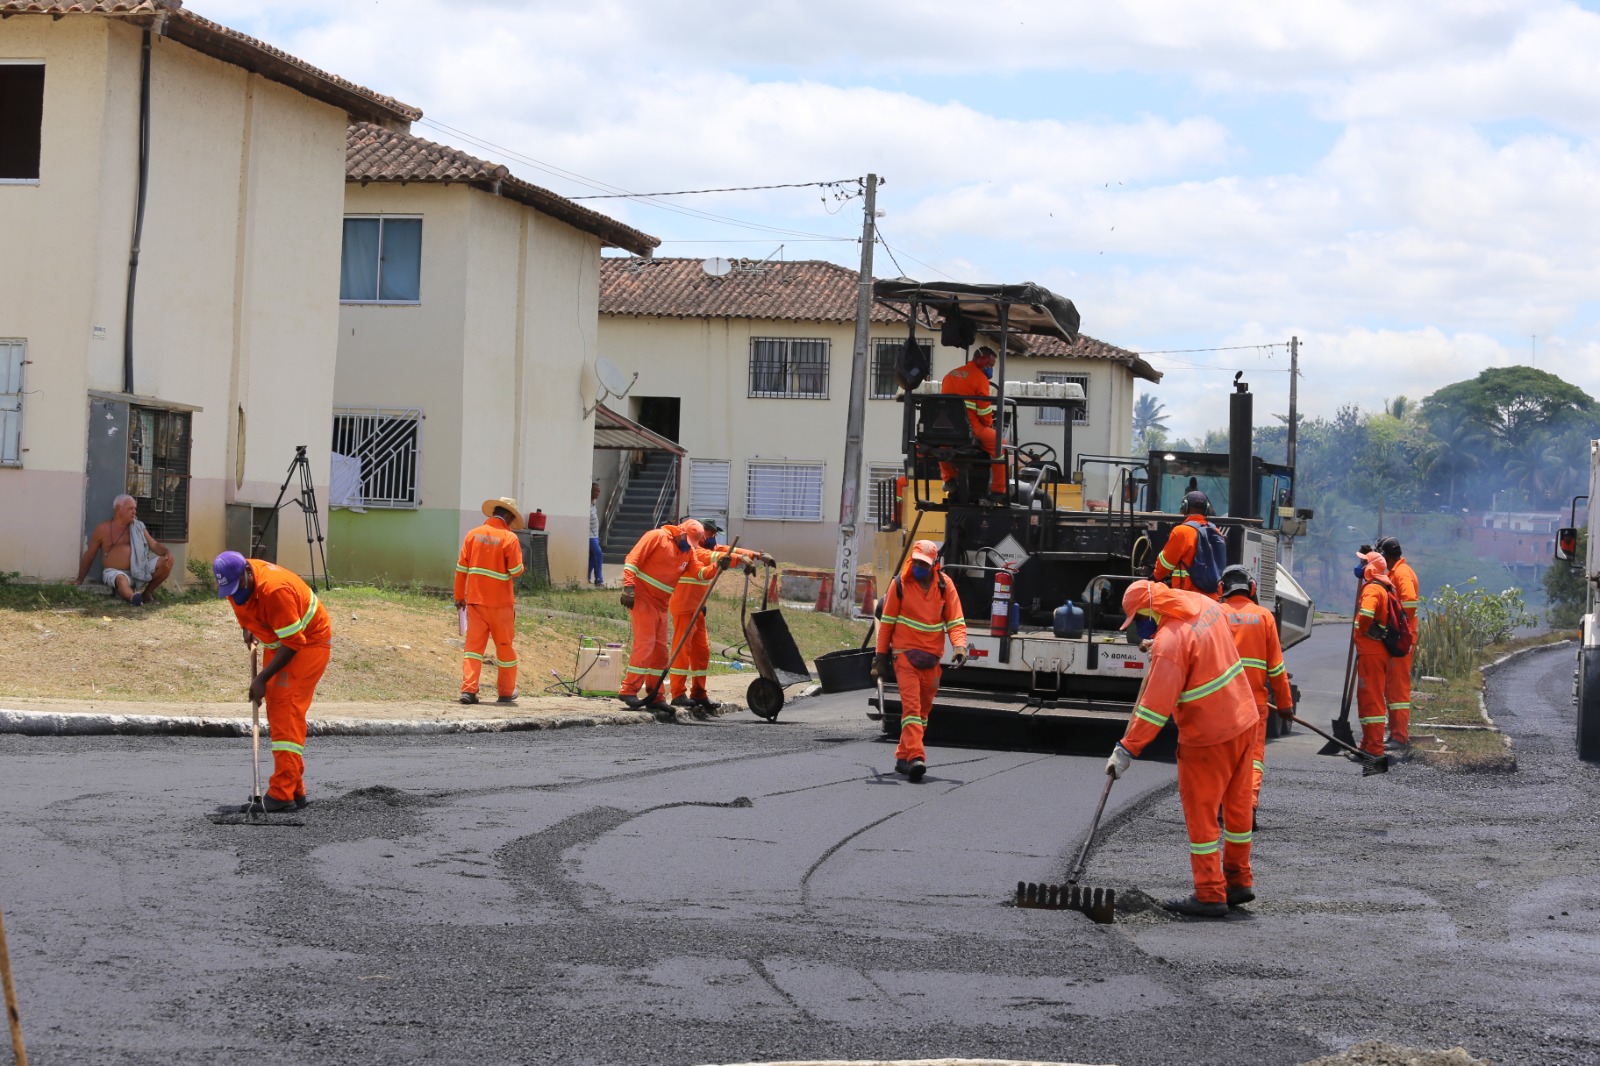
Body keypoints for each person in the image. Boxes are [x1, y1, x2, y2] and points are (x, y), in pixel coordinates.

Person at [1105, 580, 1263, 917]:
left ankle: (1209, 893)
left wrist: (1127, 749)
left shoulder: (1170, 643)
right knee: (1237, 809)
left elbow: (1154, 709)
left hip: (1208, 737)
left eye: (1139, 618)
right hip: (1244, 718)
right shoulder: (1204, 604)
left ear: (1149, 610)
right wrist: (1163, 647)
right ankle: (1238, 881)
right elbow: (1199, 641)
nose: (1139, 624)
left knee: (1201, 815)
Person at [213, 550, 331, 814]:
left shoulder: (275, 590)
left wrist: (262, 679)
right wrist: (249, 628)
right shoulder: (235, 582)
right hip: (281, 642)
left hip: (307, 644)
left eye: (237, 588)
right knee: (279, 712)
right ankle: (294, 789)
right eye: (229, 591)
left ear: (247, 572)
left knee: (285, 710)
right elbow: (245, 607)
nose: (233, 595)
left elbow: (294, 641)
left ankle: (281, 794)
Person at [872, 540, 968, 783]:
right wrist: (880, 657)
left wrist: (959, 646)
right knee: (912, 710)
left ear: (934, 564)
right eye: (915, 562)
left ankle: (902, 757)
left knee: (923, 712)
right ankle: (916, 757)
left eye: (923, 564)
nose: (918, 567)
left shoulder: (945, 586)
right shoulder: (899, 585)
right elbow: (887, 624)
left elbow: (955, 620)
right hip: (905, 656)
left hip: (932, 659)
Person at [667, 520, 772, 715]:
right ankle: (678, 693)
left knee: (702, 651)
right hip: (684, 607)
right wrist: (739, 560)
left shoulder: (704, 547)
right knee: (682, 650)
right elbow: (712, 556)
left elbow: (724, 550)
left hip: (698, 608)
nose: (711, 538)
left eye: (713, 534)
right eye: (708, 534)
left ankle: (699, 693)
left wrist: (755, 555)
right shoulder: (690, 551)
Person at [1219, 565, 1294, 819]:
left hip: (1218, 704)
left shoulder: (1214, 614)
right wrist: (1285, 704)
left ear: (1221, 588)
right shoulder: (1264, 617)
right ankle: (1247, 806)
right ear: (1252, 588)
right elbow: (1277, 668)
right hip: (1253, 705)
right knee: (1252, 757)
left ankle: (1221, 805)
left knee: (1221, 755)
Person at [619, 518, 706, 717]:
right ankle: (628, 690)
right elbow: (632, 560)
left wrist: (720, 565)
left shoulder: (688, 552)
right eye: (688, 540)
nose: (689, 545)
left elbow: (699, 573)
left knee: (660, 651)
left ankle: (656, 696)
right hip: (643, 598)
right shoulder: (656, 537)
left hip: (661, 605)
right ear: (681, 531)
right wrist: (629, 587)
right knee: (646, 643)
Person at [454, 497, 526, 706]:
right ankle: (506, 691)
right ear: (509, 516)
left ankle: (469, 690)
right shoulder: (509, 538)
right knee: (504, 648)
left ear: (494, 512)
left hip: (476, 603)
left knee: (473, 649)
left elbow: (461, 569)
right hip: (501, 606)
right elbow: (516, 570)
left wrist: (459, 597)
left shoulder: (473, 534)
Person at [72, 493, 174, 605]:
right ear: (118, 509)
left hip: (140, 568)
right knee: (121, 579)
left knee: (166, 562)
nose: (134, 512)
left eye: (135, 508)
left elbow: (153, 545)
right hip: (115, 572)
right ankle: (133, 598)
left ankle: (147, 593)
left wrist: (167, 552)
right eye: (130, 508)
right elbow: (90, 555)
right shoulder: (102, 529)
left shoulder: (138, 527)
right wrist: (80, 579)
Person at [938, 345, 1007, 500]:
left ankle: (949, 480)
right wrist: (988, 425)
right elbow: (984, 411)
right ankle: (998, 491)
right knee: (1000, 444)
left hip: (947, 427)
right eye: (990, 365)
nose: (991, 369)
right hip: (971, 427)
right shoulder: (980, 379)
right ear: (982, 361)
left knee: (942, 445)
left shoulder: (950, 375)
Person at [1377, 536, 1419, 748]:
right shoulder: (1395, 573)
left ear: (1386, 556)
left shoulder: (1402, 573)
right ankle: (1395, 733)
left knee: (1398, 689)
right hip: (1400, 637)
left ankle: (1399, 737)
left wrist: (1397, 622)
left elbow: (1409, 601)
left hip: (1402, 639)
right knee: (1392, 688)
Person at [1353, 549, 1396, 757]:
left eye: (1364, 563)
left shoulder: (1372, 589)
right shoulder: (1382, 587)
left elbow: (1366, 614)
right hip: (1372, 652)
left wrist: (1362, 629)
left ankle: (1375, 751)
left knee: (1372, 700)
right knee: (1365, 698)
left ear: (1371, 568)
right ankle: (1367, 744)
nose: (1360, 567)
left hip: (1372, 652)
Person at [1152, 490, 1221, 597]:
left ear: (1184, 507)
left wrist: (1154, 577)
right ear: (1207, 510)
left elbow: (1164, 565)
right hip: (1212, 600)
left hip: (1187, 597)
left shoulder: (1181, 531)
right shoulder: (1217, 532)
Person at [588, 483, 606, 587]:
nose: (597, 493)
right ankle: (599, 579)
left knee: (592, 557)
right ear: (590, 491)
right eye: (595, 491)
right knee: (598, 554)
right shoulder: (587, 504)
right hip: (590, 536)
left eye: (599, 491)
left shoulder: (593, 503)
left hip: (595, 535)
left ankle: (587, 577)